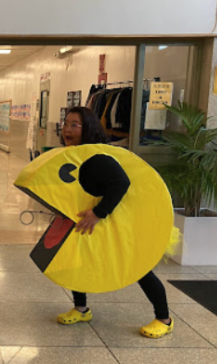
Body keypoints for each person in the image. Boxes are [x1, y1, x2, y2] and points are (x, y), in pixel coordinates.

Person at [56, 106, 173, 339]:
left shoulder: (97, 156)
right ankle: (81, 308)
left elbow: (121, 183)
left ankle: (164, 319)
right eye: (66, 123)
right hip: (93, 219)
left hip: (116, 220)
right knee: (77, 258)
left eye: (74, 125)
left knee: (138, 266)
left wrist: (99, 212)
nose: (67, 129)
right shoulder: (77, 154)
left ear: (87, 128)